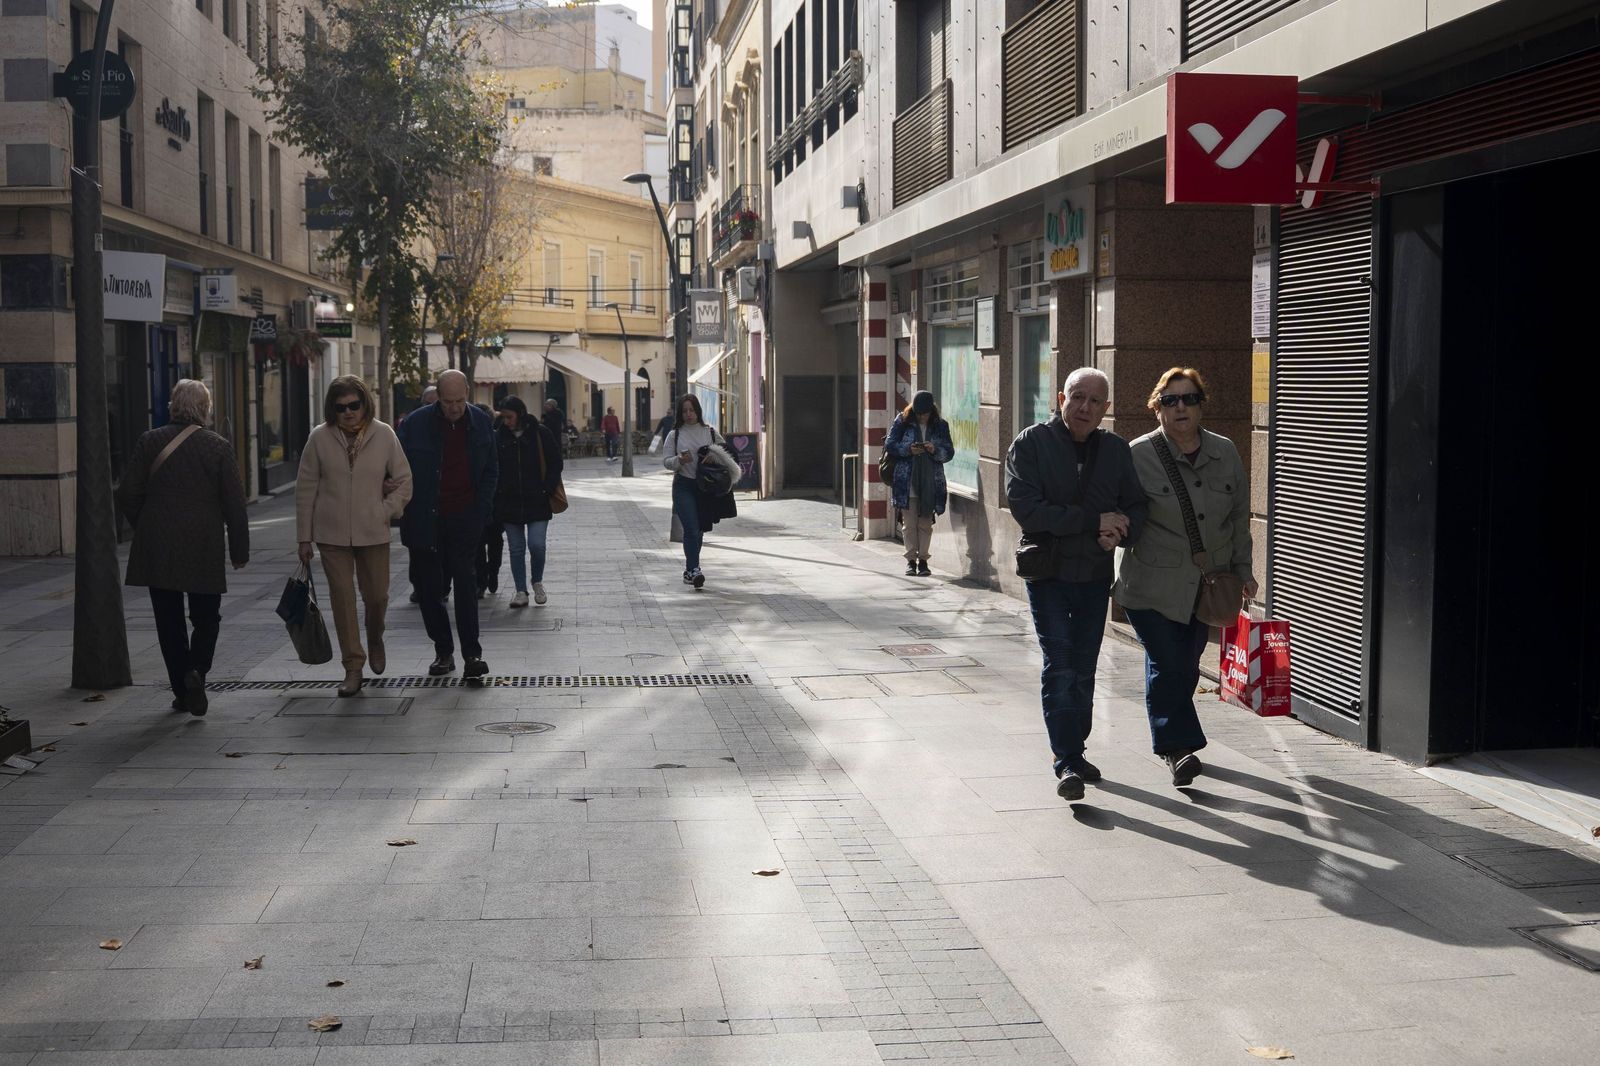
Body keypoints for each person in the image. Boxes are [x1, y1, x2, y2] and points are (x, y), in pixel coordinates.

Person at [1006, 367, 1148, 801]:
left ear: (1106, 408)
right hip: (1048, 574)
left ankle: (1075, 750)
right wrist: (1093, 522)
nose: (1085, 407)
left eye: (1095, 400)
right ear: (1060, 398)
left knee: (1084, 665)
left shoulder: (1116, 450)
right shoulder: (1030, 444)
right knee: (1062, 660)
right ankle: (1065, 759)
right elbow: (1028, 509)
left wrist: (1120, 529)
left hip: (1093, 576)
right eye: (1078, 397)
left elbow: (1137, 506)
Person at [1113, 367, 1256, 788]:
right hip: (1149, 586)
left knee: (1186, 664)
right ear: (1156, 406)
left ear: (1200, 405)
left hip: (1206, 587)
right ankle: (1178, 747)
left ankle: (1176, 739)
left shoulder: (1225, 451)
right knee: (1168, 661)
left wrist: (1244, 572)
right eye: (1171, 400)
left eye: (1189, 399)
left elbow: (1237, 519)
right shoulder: (1136, 455)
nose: (1181, 407)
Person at [114, 379, 248, 716]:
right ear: (205, 408)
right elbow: (234, 503)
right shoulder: (218, 447)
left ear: (173, 405)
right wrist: (240, 550)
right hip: (203, 542)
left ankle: (182, 690)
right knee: (206, 617)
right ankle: (196, 672)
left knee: (168, 620)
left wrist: (146, 521)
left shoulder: (149, 441)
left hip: (158, 544)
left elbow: (127, 492)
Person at [295, 376, 413, 697]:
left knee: (377, 597)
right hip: (331, 534)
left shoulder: (384, 434)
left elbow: (404, 480)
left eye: (353, 406)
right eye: (340, 407)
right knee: (343, 600)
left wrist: (384, 510)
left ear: (364, 405)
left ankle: (375, 637)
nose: (348, 412)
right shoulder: (319, 438)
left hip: (373, 532)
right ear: (332, 409)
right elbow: (305, 490)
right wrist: (304, 538)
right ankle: (353, 665)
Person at [397, 370, 498, 683]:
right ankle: (443, 651)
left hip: (464, 518)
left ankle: (472, 654)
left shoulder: (481, 423)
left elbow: (491, 471)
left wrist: (479, 514)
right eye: (447, 401)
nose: (454, 407)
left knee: (466, 586)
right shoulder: (415, 425)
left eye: (460, 400)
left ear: (467, 391)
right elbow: (396, 467)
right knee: (430, 590)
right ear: (436, 396)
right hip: (425, 518)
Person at [662, 394, 739, 588]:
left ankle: (690, 570)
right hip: (683, 486)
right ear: (680, 413)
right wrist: (679, 460)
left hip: (705, 487)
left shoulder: (710, 432)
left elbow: (727, 453)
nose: (689, 414)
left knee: (700, 529)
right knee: (691, 528)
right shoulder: (675, 434)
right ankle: (695, 570)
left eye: (692, 410)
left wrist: (715, 457)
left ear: (698, 411)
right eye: (685, 411)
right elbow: (666, 461)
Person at [493, 396, 563, 608]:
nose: (506, 421)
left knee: (537, 545)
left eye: (510, 417)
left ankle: (537, 581)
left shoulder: (540, 434)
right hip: (510, 501)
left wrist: (546, 489)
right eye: (503, 417)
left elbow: (555, 463)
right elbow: (493, 466)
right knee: (516, 548)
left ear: (520, 414)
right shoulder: (499, 437)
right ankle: (520, 590)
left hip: (537, 500)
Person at [884, 391, 954, 576]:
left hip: (931, 482)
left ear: (932, 411)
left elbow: (949, 452)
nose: (921, 416)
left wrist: (934, 449)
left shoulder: (940, 426)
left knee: (925, 523)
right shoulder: (903, 421)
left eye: (925, 413)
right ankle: (910, 561)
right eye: (918, 413)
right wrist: (908, 450)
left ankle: (923, 561)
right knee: (909, 523)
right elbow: (890, 445)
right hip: (907, 481)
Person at [474, 403, 504, 598]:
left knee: (491, 542)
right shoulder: (472, 440)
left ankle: (488, 576)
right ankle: (485, 578)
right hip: (479, 500)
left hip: (496, 500)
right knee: (483, 543)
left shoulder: (498, 439)